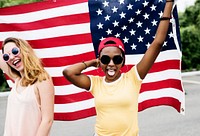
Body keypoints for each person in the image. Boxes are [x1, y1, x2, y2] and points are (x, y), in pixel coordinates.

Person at [63, 1, 174, 136]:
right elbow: (69, 73)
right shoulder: (96, 83)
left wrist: (169, 3)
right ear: (100, 60)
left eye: (117, 59)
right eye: (105, 59)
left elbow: (158, 43)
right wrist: (91, 62)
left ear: (123, 61)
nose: (111, 64)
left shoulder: (133, 77)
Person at [0, 37, 55, 136]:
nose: (11, 57)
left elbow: (47, 120)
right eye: (6, 57)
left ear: (25, 50)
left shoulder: (42, 79)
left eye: (15, 51)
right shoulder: (17, 79)